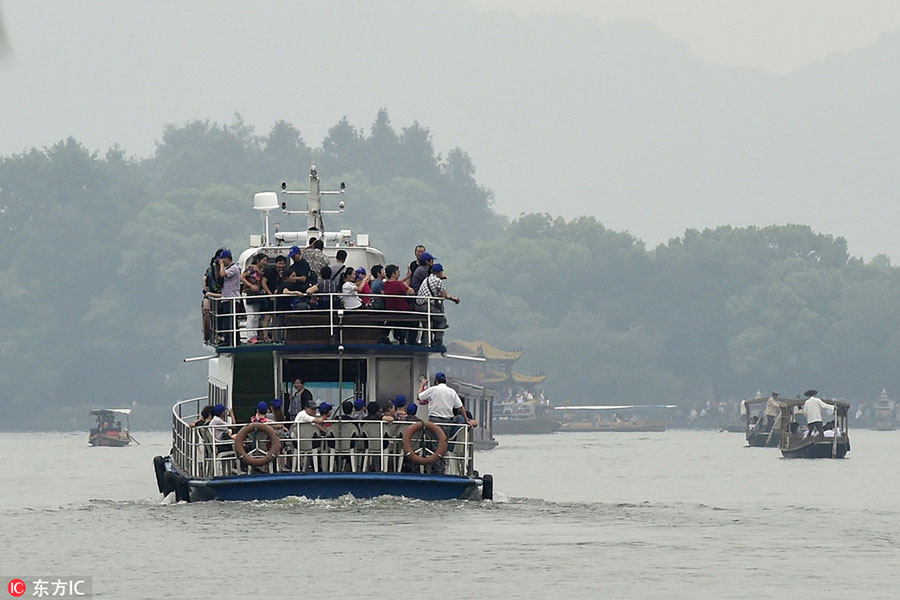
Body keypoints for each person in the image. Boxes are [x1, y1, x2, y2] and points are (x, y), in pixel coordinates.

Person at [415, 264, 460, 346]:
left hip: (418, 307)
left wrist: (452, 298)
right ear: (440, 272)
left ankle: (426, 341)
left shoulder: (427, 279)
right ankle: (437, 341)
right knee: (442, 320)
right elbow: (444, 295)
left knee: (428, 323)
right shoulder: (438, 281)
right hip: (426, 307)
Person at [382, 264, 416, 344]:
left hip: (391, 311)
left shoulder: (385, 284)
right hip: (402, 311)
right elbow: (411, 291)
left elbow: (395, 284)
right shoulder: (399, 285)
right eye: (397, 272)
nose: (399, 273)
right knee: (414, 323)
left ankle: (390, 336)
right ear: (393, 274)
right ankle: (411, 341)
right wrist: (406, 285)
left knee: (392, 322)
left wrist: (407, 277)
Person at [217, 249, 242, 345]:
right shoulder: (229, 268)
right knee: (228, 320)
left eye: (223, 259)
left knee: (230, 321)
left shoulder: (234, 268)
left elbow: (223, 274)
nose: (222, 261)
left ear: (227, 258)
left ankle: (230, 340)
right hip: (227, 298)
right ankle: (233, 339)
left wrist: (221, 265)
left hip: (232, 298)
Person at [241, 254, 265, 343]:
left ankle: (254, 335)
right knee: (250, 315)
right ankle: (250, 336)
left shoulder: (262, 271)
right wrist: (250, 285)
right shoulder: (251, 269)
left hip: (257, 294)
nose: (265, 263)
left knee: (256, 316)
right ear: (258, 261)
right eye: (264, 260)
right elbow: (242, 277)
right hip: (248, 293)